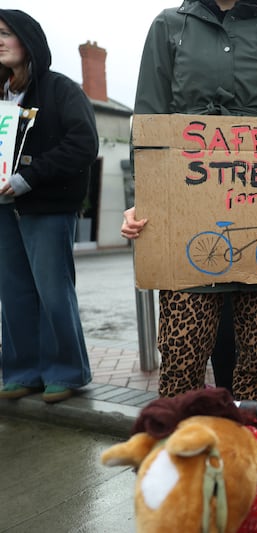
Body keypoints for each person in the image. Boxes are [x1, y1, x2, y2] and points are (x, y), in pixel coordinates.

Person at [120, 0, 257, 401]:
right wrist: (146, 198)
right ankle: (183, 450)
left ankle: (255, 452)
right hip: (188, 209)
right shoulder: (168, 25)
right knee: (182, 355)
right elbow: (151, 117)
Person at [0, 10, 98, 403]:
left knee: (53, 291)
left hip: (46, 207)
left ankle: (65, 372)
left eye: (6, 33)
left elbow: (82, 143)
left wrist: (29, 177)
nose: (0, 40)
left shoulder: (60, 90)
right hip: (3, 210)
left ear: (29, 40)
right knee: (14, 292)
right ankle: (22, 372)